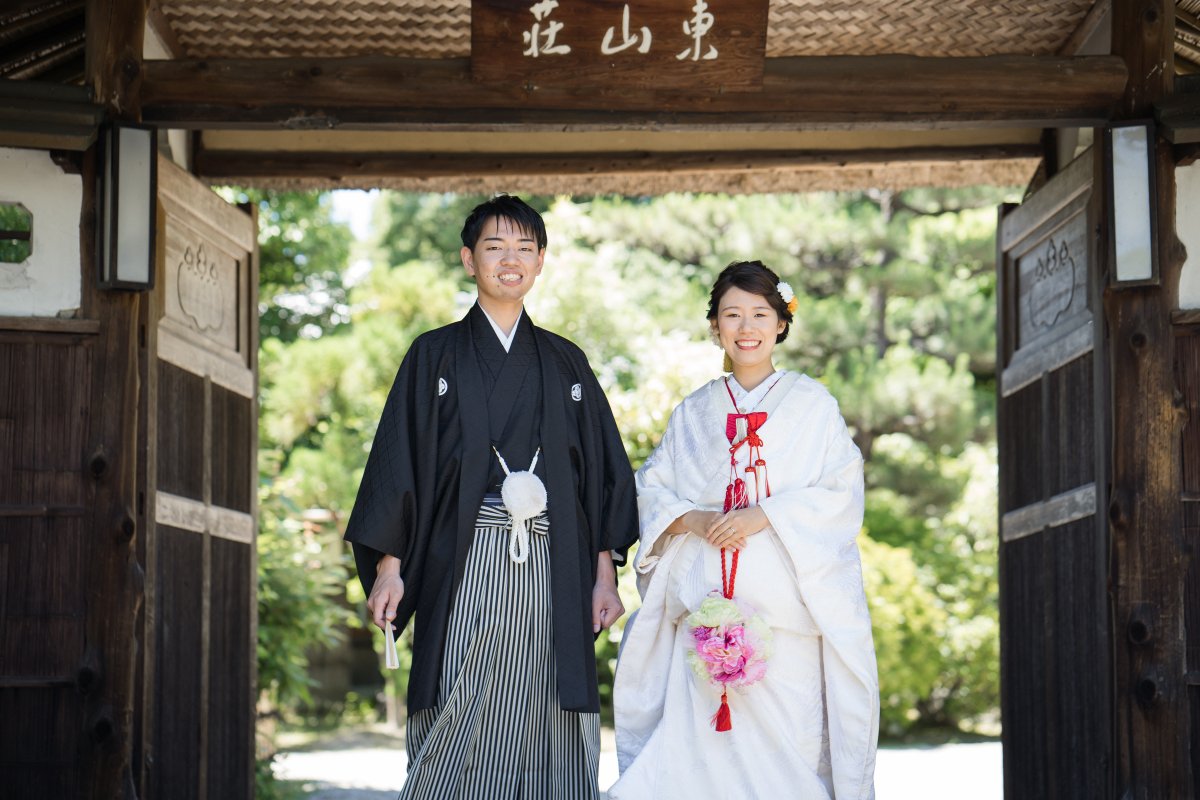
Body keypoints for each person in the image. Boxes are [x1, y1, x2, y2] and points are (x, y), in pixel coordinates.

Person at [343, 195, 638, 799]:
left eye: (525, 248)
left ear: (541, 262)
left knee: (551, 705)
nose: (511, 260)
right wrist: (391, 566)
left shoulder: (566, 362)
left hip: (555, 567)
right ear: (467, 259)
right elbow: (403, 462)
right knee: (458, 698)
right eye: (495, 247)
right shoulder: (435, 354)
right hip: (464, 558)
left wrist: (604, 576)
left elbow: (601, 474)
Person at [610, 260, 878, 800]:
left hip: (786, 624)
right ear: (715, 327)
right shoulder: (694, 412)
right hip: (706, 622)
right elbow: (651, 488)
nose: (746, 326)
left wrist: (767, 514)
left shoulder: (812, 405)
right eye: (732, 314)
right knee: (697, 769)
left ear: (781, 322)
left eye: (760, 313)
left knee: (791, 761)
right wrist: (698, 520)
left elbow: (840, 492)